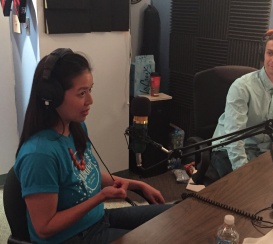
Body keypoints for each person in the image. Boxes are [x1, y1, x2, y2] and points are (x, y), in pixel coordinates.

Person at [14, 48, 172, 243]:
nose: (90, 100)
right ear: (51, 96)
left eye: (90, 90)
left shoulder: (76, 128)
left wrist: (136, 184)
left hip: (97, 221)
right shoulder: (39, 154)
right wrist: (100, 197)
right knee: (160, 238)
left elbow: (85, 175)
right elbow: (44, 228)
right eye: (81, 93)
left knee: (174, 216)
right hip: (73, 237)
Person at [206, 29, 273, 183]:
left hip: (267, 152)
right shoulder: (242, 86)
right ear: (263, 54)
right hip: (230, 150)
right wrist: (244, 173)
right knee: (249, 193)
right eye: (270, 53)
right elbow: (233, 136)